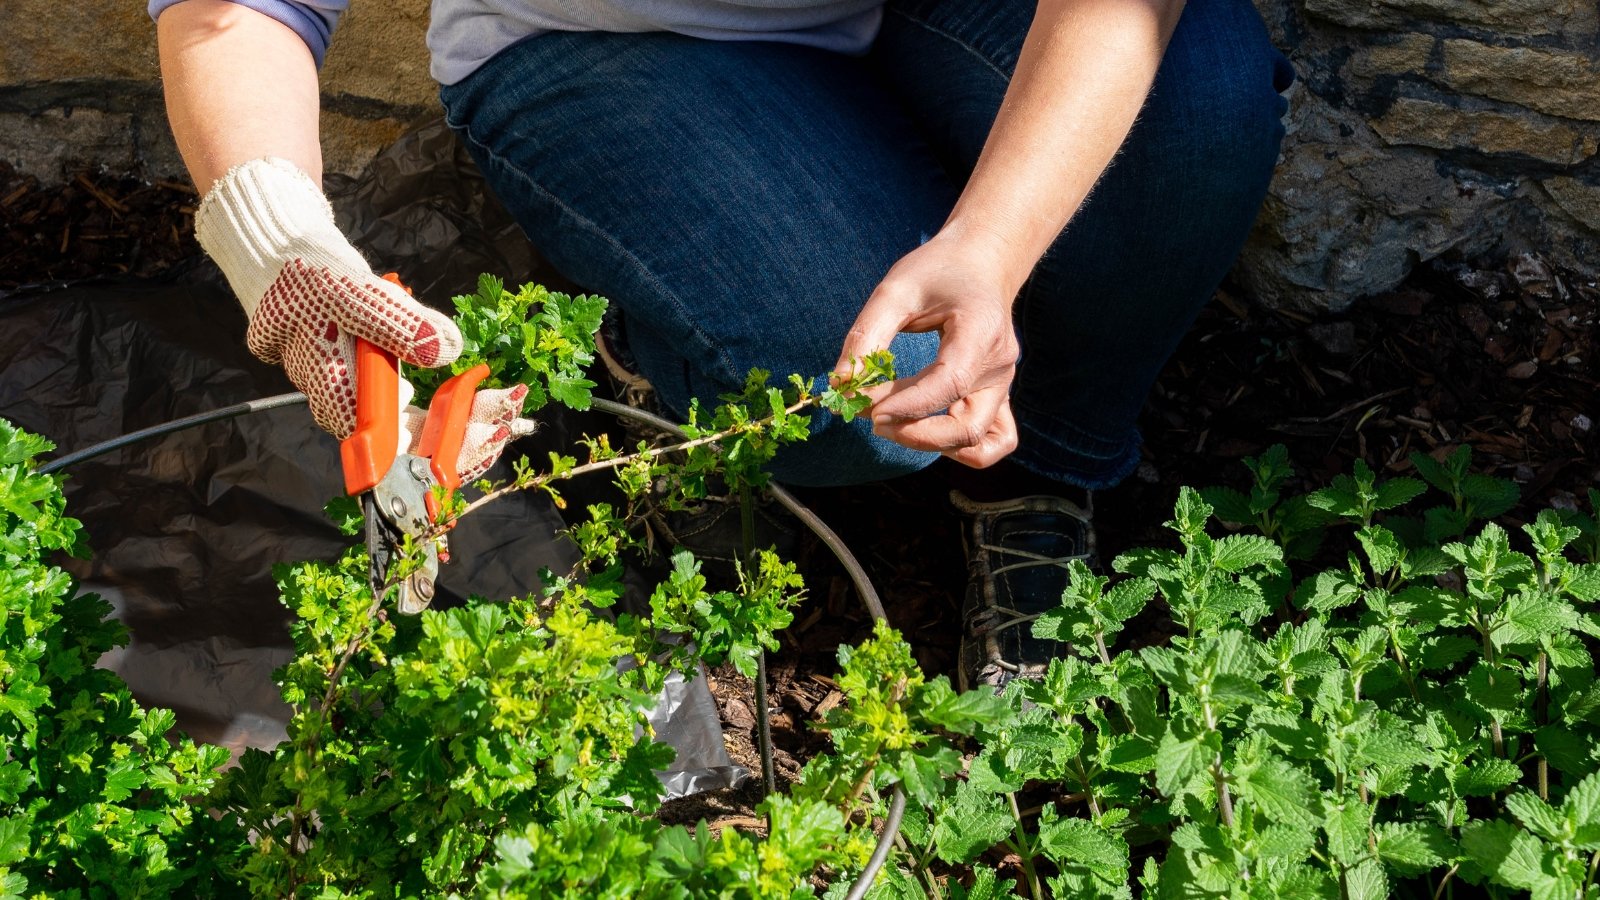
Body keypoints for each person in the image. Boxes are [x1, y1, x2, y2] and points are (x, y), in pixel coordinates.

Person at [152, 0, 1293, 690]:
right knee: (841, 387)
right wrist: (282, 242)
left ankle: (1038, 468)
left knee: (1195, 106)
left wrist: (993, 245)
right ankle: (636, 356)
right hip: (620, 39)